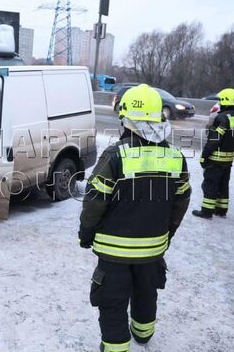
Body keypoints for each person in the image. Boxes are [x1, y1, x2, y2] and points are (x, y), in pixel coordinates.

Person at [78, 84, 191, 352]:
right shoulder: (175, 156)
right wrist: (167, 233)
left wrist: (86, 234)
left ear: (126, 120)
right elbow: (181, 200)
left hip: (113, 251)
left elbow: (95, 201)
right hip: (153, 249)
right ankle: (143, 334)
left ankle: (116, 347)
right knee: (146, 292)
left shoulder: (115, 155)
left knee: (113, 300)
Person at [192, 88, 234, 219]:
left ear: (226, 101)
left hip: (215, 160)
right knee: (223, 184)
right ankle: (221, 210)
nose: (220, 103)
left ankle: (207, 211)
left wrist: (204, 156)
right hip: (228, 160)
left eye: (221, 100)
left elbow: (214, 140)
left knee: (210, 184)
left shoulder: (221, 118)